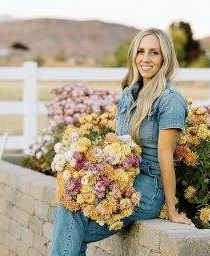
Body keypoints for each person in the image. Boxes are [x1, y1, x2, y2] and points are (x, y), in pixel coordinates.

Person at [51, 28, 192, 256]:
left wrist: (172, 210)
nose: (145, 59)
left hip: (147, 188)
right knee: (70, 202)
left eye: (154, 53)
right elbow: (119, 143)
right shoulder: (129, 93)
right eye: (141, 51)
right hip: (122, 178)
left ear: (165, 58)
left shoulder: (170, 100)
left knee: (72, 229)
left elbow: (165, 156)